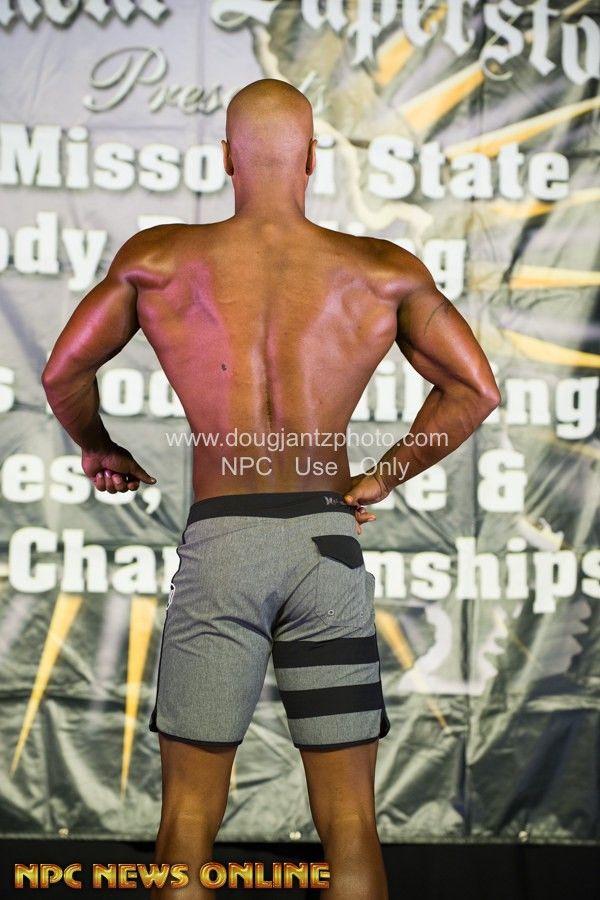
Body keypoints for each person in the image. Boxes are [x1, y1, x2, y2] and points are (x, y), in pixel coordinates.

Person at [42, 78, 500, 899]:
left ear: (226, 158)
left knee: (188, 819)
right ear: (313, 158)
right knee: (351, 823)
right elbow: (476, 389)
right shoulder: (381, 270)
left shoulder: (158, 260)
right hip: (327, 549)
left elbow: (63, 372)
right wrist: (381, 476)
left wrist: (99, 446)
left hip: (224, 546)